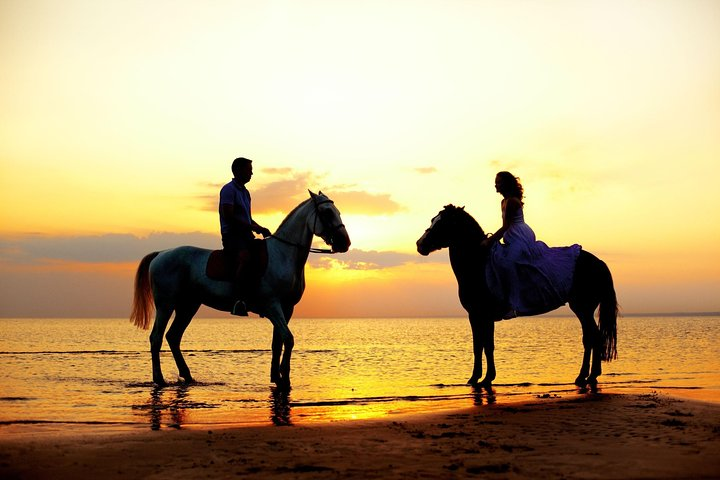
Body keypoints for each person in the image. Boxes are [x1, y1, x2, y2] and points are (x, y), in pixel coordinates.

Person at [481, 171, 581, 319]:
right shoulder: (503, 202)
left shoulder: (512, 202)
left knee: (509, 263)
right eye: (496, 181)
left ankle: (514, 305)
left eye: (499, 181)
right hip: (512, 236)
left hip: (520, 235)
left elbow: (505, 226)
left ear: (506, 184)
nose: (496, 184)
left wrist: (489, 241)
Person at [219, 157, 272, 316]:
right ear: (238, 170)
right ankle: (237, 299)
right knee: (245, 257)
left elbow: (246, 218)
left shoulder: (245, 193)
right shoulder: (228, 190)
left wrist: (259, 228)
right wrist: (252, 227)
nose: (252, 173)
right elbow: (228, 216)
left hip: (245, 236)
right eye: (249, 170)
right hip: (232, 236)